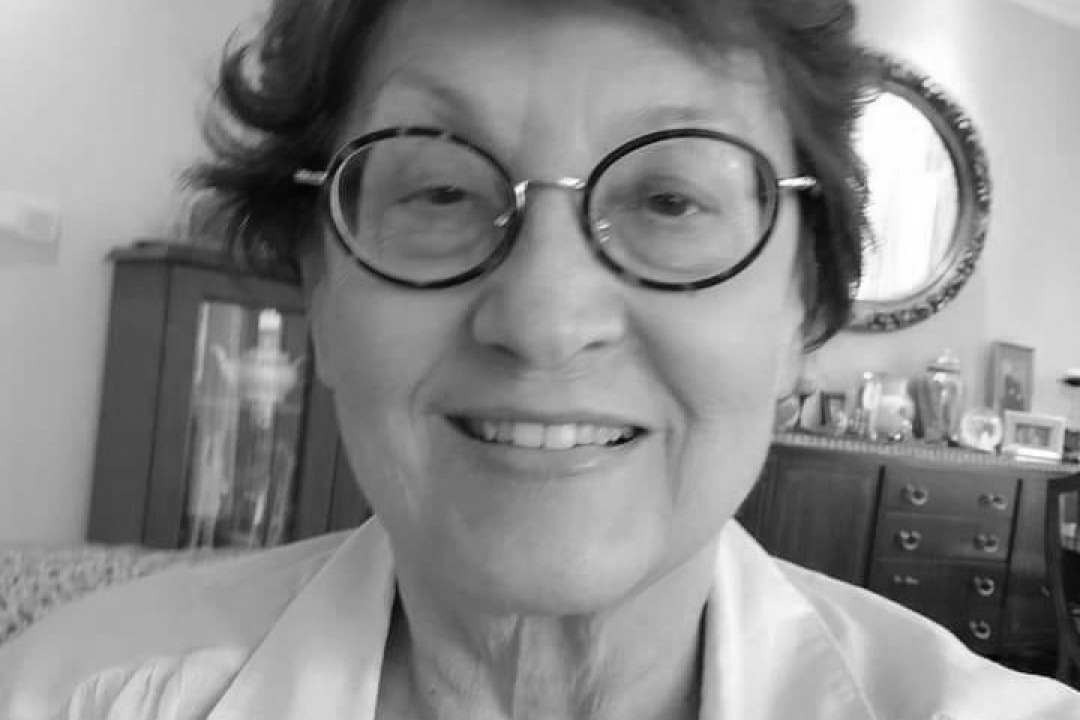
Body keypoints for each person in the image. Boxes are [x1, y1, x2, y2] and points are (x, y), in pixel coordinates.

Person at [2, 0, 1078, 718]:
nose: (545, 318)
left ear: (805, 303)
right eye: (438, 191)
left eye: (670, 200)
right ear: (318, 288)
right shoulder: (65, 695)